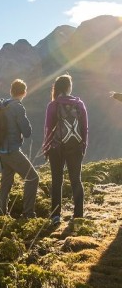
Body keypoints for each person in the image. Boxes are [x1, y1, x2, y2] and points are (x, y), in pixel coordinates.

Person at [42, 73, 88, 226]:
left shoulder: (53, 105)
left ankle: (56, 216)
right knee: (76, 180)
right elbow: (85, 128)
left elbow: (48, 129)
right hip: (75, 147)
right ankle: (78, 215)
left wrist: (46, 147)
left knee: (57, 181)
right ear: (69, 87)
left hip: (56, 148)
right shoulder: (79, 104)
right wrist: (83, 146)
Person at [0, 79, 39, 219]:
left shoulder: (3, 105)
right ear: (24, 93)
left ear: (11, 91)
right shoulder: (17, 107)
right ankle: (28, 213)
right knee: (32, 178)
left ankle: (1, 213)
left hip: (1, 151)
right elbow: (27, 132)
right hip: (12, 150)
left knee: (6, 181)